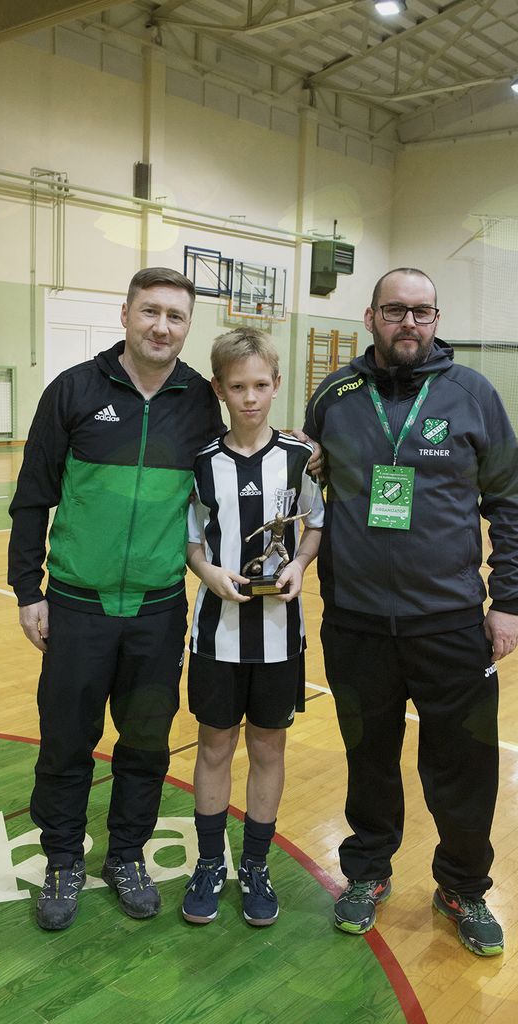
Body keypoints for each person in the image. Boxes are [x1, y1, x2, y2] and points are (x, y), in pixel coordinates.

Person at [304, 267, 518, 957]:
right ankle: (367, 872)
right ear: (370, 317)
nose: (410, 322)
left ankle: (462, 886)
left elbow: (507, 501)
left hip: (450, 622)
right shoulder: (335, 396)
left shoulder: (472, 394)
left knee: (464, 765)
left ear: (436, 319)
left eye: (422, 311)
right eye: (395, 310)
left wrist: (507, 602)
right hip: (356, 621)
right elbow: (309, 490)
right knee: (368, 757)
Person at [8, 267, 226, 931]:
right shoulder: (73, 389)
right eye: (150, 311)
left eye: (175, 316)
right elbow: (32, 494)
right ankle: (62, 858)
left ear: (187, 327)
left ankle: (127, 855)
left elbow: (226, 481)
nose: (162, 326)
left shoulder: (199, 401)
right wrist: (28, 589)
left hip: (158, 610)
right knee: (66, 741)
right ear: (125, 315)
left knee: (146, 744)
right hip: (77, 605)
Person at [181, 327, 324, 927]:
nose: (250, 398)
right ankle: (209, 862)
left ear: (276, 385)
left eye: (260, 385)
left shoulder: (299, 459)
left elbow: (315, 525)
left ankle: (256, 865)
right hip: (216, 634)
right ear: (219, 389)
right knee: (215, 746)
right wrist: (208, 573)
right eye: (238, 387)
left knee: (268, 747)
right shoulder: (201, 464)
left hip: (278, 636)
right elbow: (191, 541)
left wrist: (298, 564)